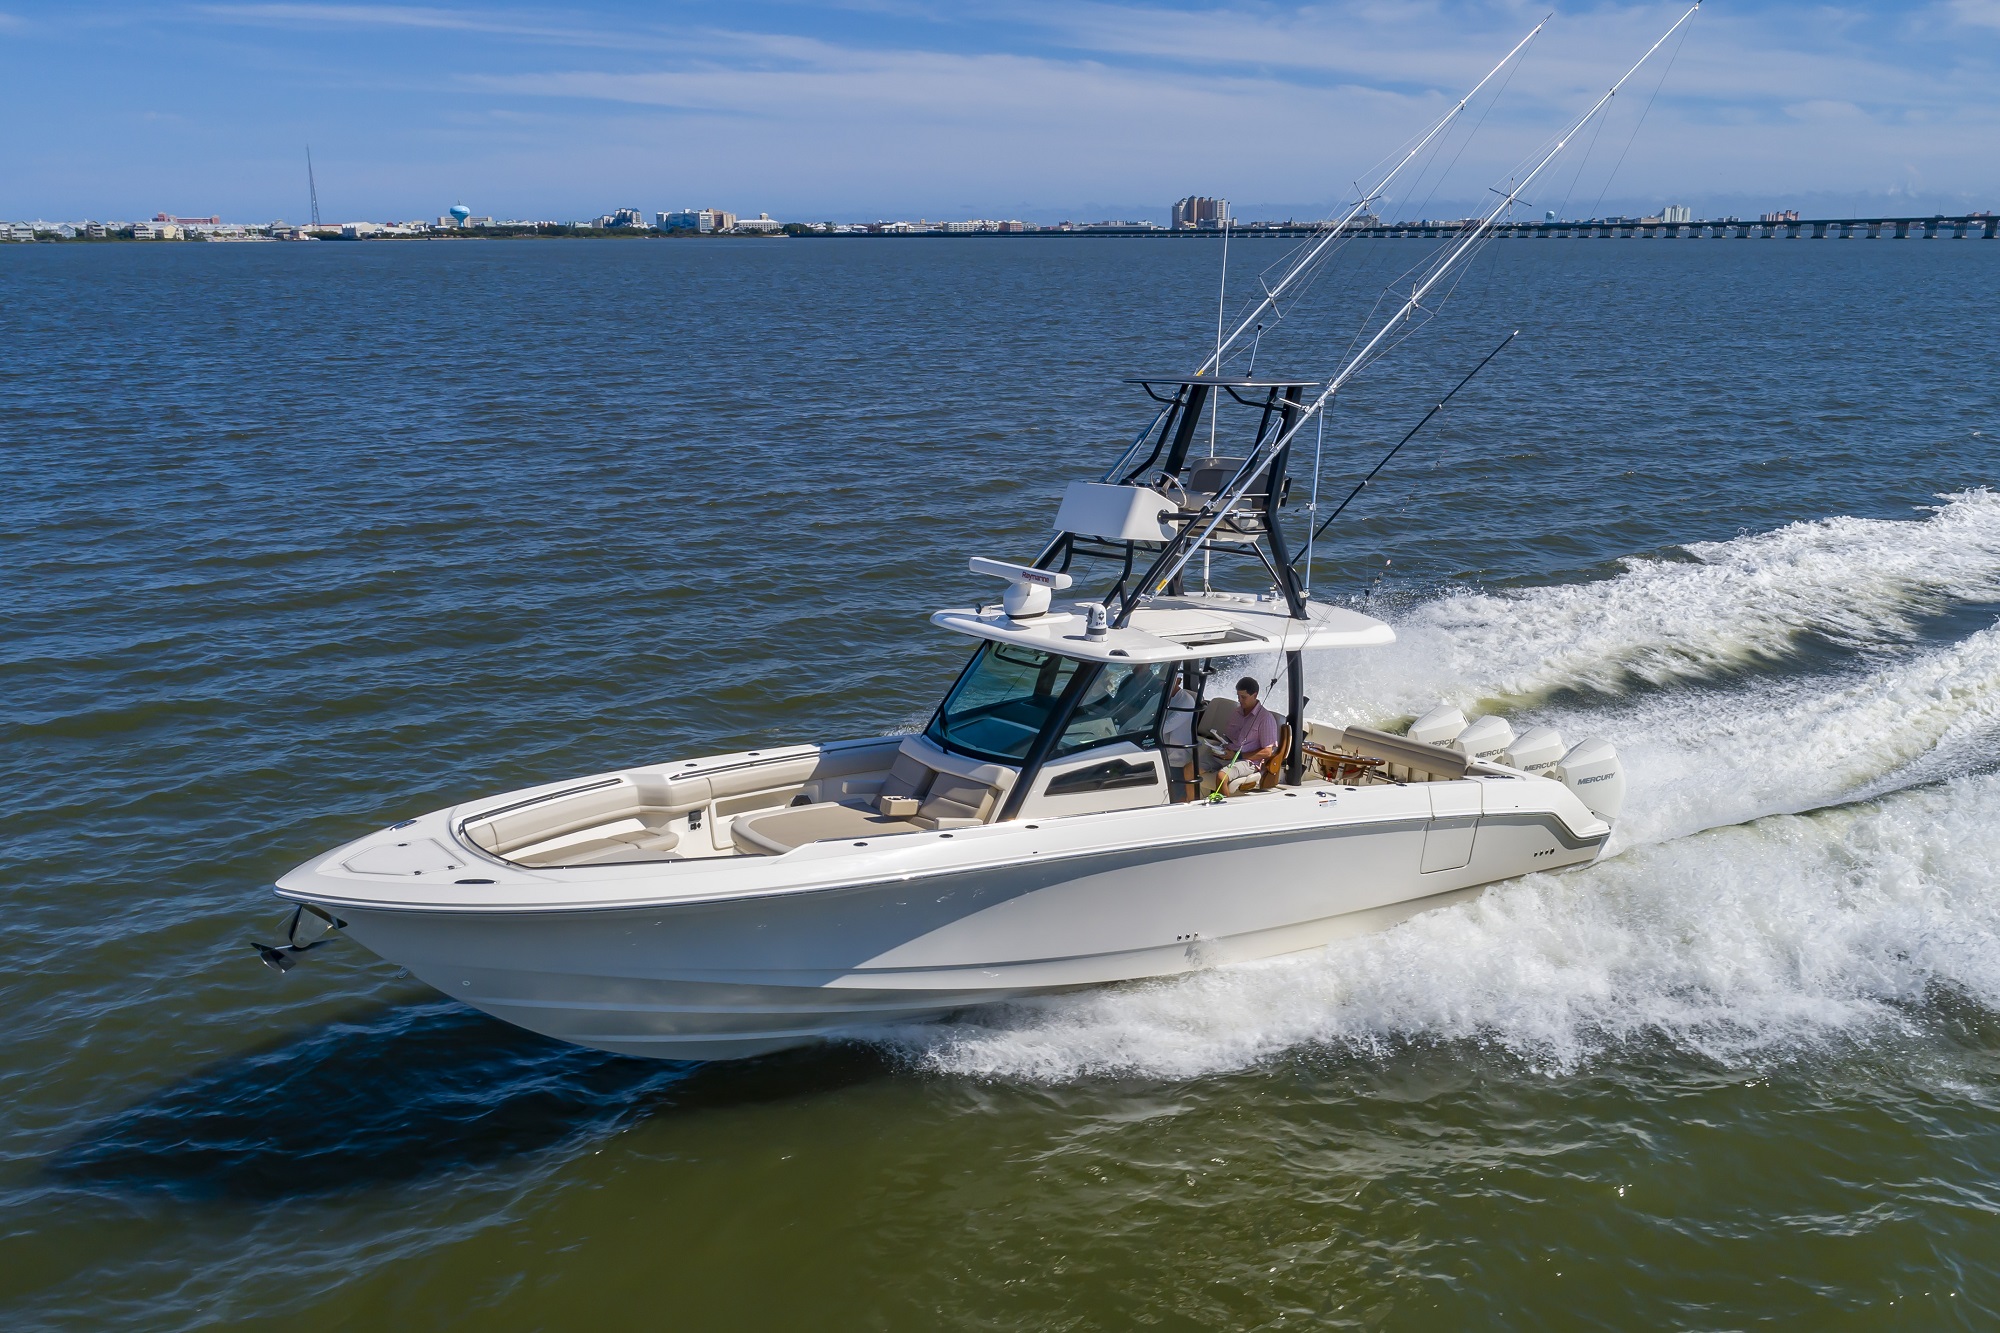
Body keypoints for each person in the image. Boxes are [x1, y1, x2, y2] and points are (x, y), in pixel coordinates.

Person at [1199, 676, 1279, 797]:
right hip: (1228, 754)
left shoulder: (1265, 719)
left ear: (1255, 695)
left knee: (1221, 776)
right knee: (1191, 770)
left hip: (1248, 761)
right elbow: (1230, 738)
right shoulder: (1237, 712)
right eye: (1238, 696)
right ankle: (1190, 804)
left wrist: (1239, 755)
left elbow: (1267, 752)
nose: (1240, 700)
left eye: (1243, 697)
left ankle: (1226, 811)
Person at [1159, 671, 1198, 802]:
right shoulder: (1159, 697)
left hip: (1177, 759)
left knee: (1176, 798)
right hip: (1161, 754)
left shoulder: (1186, 701)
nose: (1163, 684)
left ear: (1178, 681)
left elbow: (1164, 727)